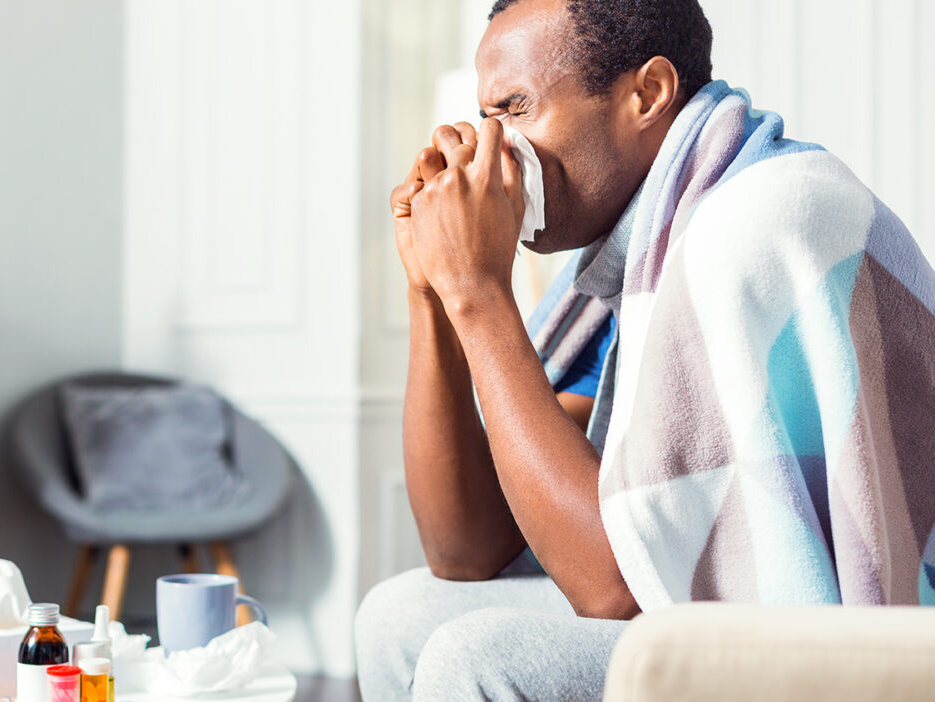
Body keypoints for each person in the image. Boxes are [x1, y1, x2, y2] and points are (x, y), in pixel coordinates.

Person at [354, 0, 935, 700]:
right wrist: (433, 291)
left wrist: (479, 291)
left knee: (476, 656)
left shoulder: (751, 226)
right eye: (486, 117)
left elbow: (613, 589)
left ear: (648, 94)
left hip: (839, 649)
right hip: (702, 617)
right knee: (397, 617)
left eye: (515, 109)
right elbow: (467, 549)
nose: (494, 148)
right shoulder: (631, 266)